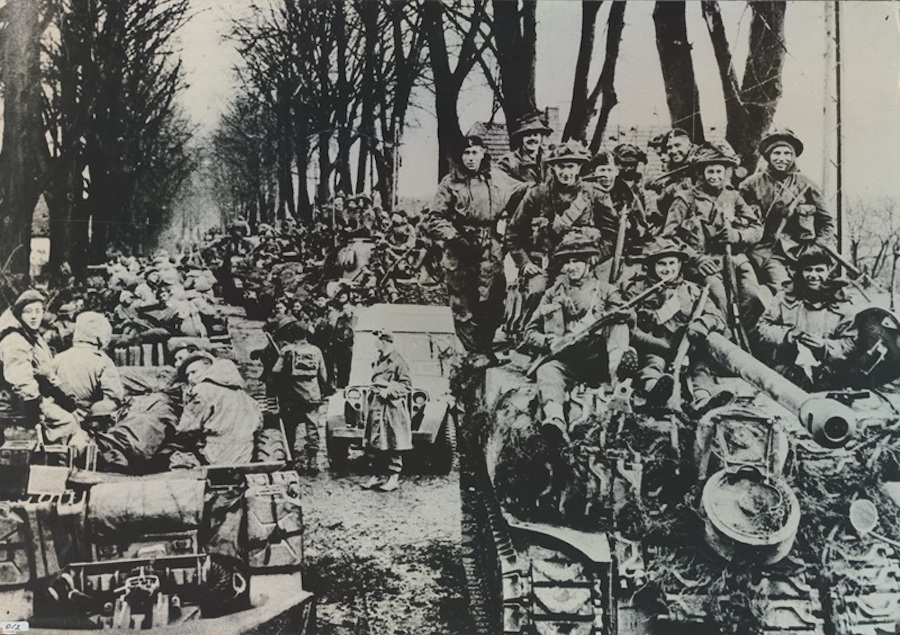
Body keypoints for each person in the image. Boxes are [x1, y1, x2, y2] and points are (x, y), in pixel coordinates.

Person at [425, 135, 520, 368]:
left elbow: (523, 192)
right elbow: (435, 219)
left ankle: (486, 348)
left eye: (474, 152)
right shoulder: (450, 183)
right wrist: (455, 238)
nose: (470, 158)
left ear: (483, 152)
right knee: (463, 302)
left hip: (490, 247)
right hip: (460, 248)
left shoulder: (498, 177)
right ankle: (473, 352)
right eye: (466, 153)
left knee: (493, 299)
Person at [522, 229, 625, 444]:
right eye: (567, 262)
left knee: (618, 324)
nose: (571, 267)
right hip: (567, 360)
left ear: (590, 262)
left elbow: (626, 320)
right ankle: (555, 419)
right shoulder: (553, 293)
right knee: (547, 371)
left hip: (599, 360)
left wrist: (617, 315)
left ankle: (620, 386)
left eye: (577, 261)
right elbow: (529, 332)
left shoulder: (606, 291)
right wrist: (548, 341)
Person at [506, 139, 618, 335]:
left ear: (579, 167)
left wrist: (595, 257)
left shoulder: (594, 194)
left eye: (571, 166)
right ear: (553, 168)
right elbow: (513, 233)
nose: (566, 172)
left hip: (583, 264)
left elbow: (611, 234)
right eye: (561, 166)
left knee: (591, 298)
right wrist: (524, 263)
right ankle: (529, 335)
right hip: (545, 262)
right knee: (537, 292)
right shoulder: (537, 195)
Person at [608, 238, 726, 406]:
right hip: (653, 346)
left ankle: (703, 400)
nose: (668, 269)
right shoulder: (636, 290)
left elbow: (715, 316)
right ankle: (654, 390)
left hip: (687, 348)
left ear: (679, 265)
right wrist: (657, 344)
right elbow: (628, 326)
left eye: (672, 263)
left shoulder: (693, 290)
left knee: (700, 367)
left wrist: (702, 324)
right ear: (652, 266)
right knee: (652, 364)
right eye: (662, 264)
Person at [663, 141, 764, 315]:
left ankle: (746, 332)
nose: (715, 176)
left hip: (735, 258)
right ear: (701, 173)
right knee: (720, 299)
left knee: (753, 297)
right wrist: (696, 258)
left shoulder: (733, 196)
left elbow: (757, 228)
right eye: (710, 171)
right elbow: (668, 237)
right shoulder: (685, 199)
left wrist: (737, 235)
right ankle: (721, 330)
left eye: (719, 171)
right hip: (704, 262)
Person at [739, 128, 836, 299]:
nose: (782, 158)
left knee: (819, 291)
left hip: (803, 251)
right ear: (768, 156)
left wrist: (816, 248)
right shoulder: (751, 185)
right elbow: (739, 220)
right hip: (767, 252)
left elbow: (826, 222)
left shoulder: (807, 185)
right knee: (784, 290)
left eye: (787, 153)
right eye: (777, 153)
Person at [754, 246, 858, 391]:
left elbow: (851, 343)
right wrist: (787, 335)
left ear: (829, 271)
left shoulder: (842, 304)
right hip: (786, 373)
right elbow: (761, 328)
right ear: (800, 271)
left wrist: (824, 347)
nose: (813, 275)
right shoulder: (784, 298)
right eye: (808, 270)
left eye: (819, 270)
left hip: (828, 376)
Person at [0, 290, 85, 446]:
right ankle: (55, 455)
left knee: (74, 415)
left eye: (38, 311)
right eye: (28, 312)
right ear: (19, 314)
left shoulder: (32, 335)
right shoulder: (14, 340)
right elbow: (20, 378)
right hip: (14, 402)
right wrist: (34, 405)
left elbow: (44, 368)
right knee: (67, 422)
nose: (34, 316)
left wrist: (61, 393)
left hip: (31, 395)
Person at [172, 351, 262, 466]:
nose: (190, 378)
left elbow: (186, 428)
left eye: (194, 372)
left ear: (208, 367)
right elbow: (259, 424)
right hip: (244, 455)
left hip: (214, 455)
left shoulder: (203, 390)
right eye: (188, 375)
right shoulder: (244, 396)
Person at [271, 318, 329, 475]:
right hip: (312, 396)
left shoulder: (287, 350)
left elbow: (276, 370)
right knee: (313, 428)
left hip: (292, 397)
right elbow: (323, 375)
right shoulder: (316, 351)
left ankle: (290, 460)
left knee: (290, 428)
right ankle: (312, 461)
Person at [362, 331, 413, 492]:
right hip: (377, 405)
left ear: (384, 342)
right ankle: (376, 475)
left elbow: (406, 386)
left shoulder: (399, 361)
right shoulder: (380, 359)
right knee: (376, 442)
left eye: (377, 341)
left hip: (391, 408)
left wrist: (389, 391)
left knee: (393, 442)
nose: (375, 344)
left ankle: (393, 478)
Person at [52, 311, 125, 414]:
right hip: (91, 416)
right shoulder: (102, 361)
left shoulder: (59, 358)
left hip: (63, 413)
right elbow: (114, 398)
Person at [497, 111, 552, 186]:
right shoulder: (508, 162)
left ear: (541, 137)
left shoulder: (550, 159)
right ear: (521, 138)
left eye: (535, 135)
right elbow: (506, 187)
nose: (532, 138)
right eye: (528, 135)